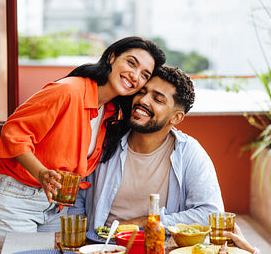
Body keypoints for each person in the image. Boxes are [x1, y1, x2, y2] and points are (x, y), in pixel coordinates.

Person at [0, 36, 165, 254]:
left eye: (144, 74)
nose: (135, 76)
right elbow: (13, 132)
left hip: (53, 206)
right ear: (111, 57)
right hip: (13, 199)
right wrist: (42, 172)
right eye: (131, 63)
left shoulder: (109, 111)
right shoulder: (69, 91)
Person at [69, 65, 224, 230]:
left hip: (158, 249)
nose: (143, 100)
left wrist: (147, 222)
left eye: (157, 99)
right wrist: (82, 242)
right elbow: (79, 195)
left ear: (176, 117)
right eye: (142, 92)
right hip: (101, 248)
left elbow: (212, 214)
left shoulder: (188, 152)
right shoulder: (105, 139)